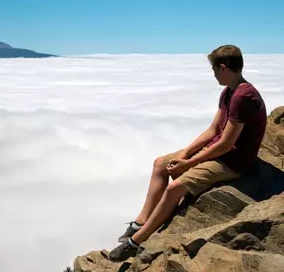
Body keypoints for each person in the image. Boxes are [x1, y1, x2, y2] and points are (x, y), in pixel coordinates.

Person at [107, 45, 267, 262]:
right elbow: (213, 130)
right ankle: (142, 220)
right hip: (221, 151)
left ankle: (136, 241)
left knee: (175, 187)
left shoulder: (243, 96)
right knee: (160, 164)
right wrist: (185, 154)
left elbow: (225, 145)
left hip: (234, 161)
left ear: (223, 67)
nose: (213, 75)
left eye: (214, 70)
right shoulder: (229, 92)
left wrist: (188, 164)